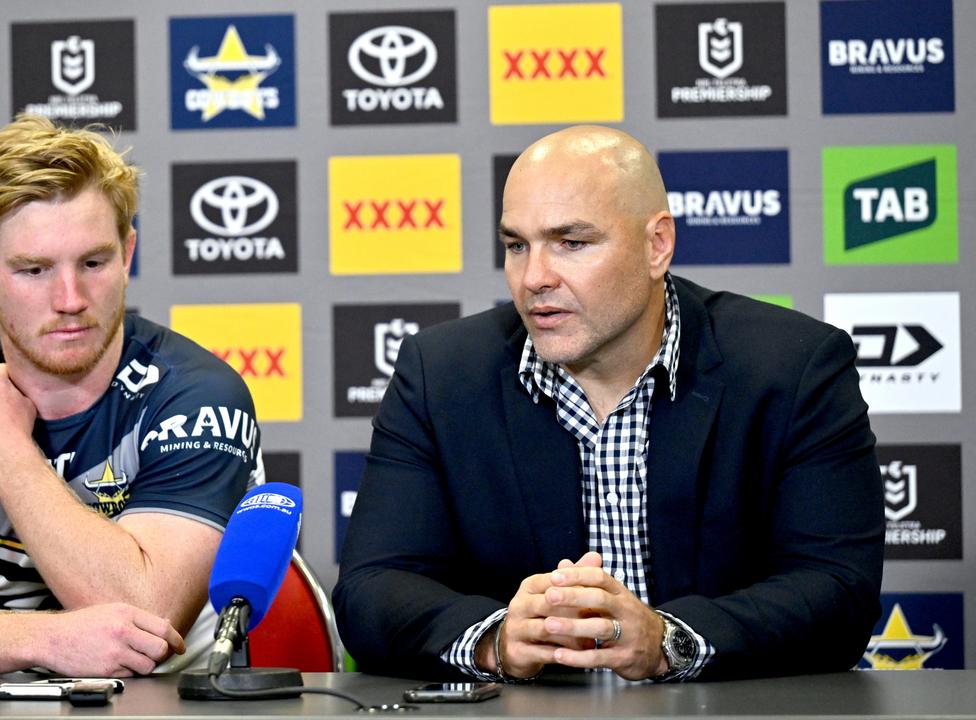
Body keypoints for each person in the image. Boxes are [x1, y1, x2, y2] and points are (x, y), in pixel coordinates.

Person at [333, 126, 884, 682]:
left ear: (656, 246)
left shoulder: (791, 367)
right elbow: (372, 588)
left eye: (571, 243)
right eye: (517, 245)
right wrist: (496, 638)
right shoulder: (442, 373)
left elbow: (836, 589)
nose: (534, 279)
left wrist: (668, 641)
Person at [0, 115, 261, 677]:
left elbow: (144, 623)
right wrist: (44, 639)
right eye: (33, 270)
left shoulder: (198, 396)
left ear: (128, 253)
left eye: (94, 263)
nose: (70, 298)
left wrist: (5, 448)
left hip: (180, 702)